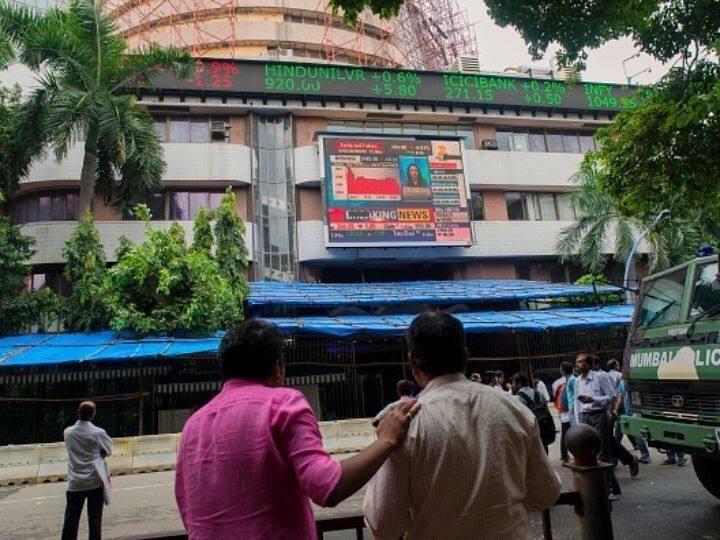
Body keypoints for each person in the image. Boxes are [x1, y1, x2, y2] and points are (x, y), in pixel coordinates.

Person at [175, 320, 420, 539]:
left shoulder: (192, 426)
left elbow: (189, 511)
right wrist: (386, 441)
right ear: (278, 367)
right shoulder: (282, 405)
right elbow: (327, 487)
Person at [364, 312, 561, 539]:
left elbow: (384, 526)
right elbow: (546, 492)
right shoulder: (514, 408)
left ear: (411, 362)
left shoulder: (403, 426)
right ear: (466, 356)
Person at [62, 401, 113, 540]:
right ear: (93, 415)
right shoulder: (98, 432)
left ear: (78, 413)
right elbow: (108, 450)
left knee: (70, 521)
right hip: (94, 482)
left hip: (75, 483)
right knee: (95, 521)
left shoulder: (68, 432)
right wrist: (100, 452)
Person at [574, 353, 623, 499]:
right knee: (588, 452)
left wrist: (593, 399)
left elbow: (612, 396)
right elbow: (577, 403)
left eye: (581, 362)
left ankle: (607, 488)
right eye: (577, 362)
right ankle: (611, 486)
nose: (578, 364)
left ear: (588, 364)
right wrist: (578, 423)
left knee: (603, 451)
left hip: (599, 415)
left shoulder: (600, 377)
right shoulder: (577, 381)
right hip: (584, 417)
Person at [511, 372, 555, 454]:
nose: (512, 385)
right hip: (543, 429)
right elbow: (547, 412)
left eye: (513, 383)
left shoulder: (517, 398)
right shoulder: (539, 394)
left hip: (529, 434)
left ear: (519, 383)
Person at [552, 361, 576, 463]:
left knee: (565, 434)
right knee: (574, 433)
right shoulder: (573, 380)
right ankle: (572, 454)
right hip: (570, 411)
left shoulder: (557, 382)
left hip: (564, 412)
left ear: (563, 370)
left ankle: (564, 454)